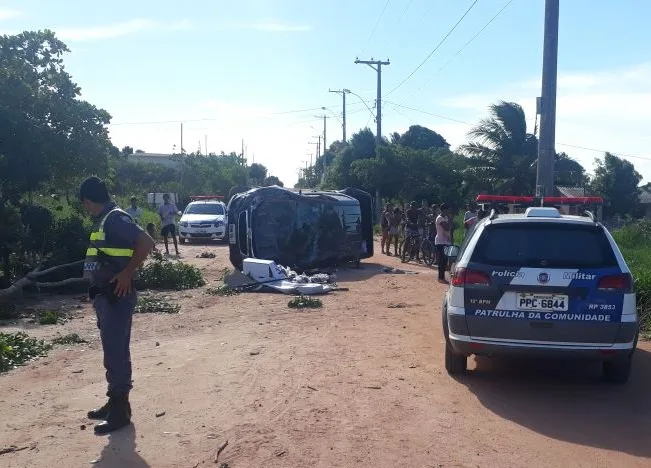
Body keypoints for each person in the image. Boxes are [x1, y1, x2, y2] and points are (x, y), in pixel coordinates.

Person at [80, 176, 154, 435]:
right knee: (112, 350)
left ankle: (120, 410)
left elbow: (146, 242)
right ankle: (114, 402)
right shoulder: (106, 219)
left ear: (88, 201)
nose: (85, 207)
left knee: (115, 351)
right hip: (106, 295)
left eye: (84, 203)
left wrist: (127, 273)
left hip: (116, 296)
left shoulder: (115, 218)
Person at [435, 203, 452, 283]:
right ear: (443, 210)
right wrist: (450, 219)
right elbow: (447, 227)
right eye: (448, 209)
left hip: (445, 241)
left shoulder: (445, 218)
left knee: (444, 261)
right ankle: (440, 278)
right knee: (442, 260)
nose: (449, 211)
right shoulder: (440, 218)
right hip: (440, 242)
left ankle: (442, 277)